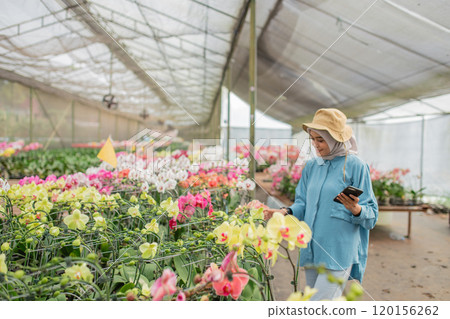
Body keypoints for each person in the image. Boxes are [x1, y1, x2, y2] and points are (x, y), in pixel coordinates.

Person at [264, 108, 378, 301]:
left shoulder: (356, 166)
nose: (316, 145)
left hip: (338, 252)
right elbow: (302, 203)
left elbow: (372, 216)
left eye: (321, 140)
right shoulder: (311, 167)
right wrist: (284, 211)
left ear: (335, 139)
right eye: (313, 139)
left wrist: (356, 209)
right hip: (311, 249)